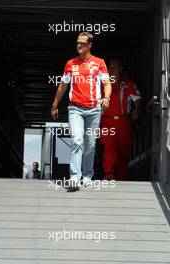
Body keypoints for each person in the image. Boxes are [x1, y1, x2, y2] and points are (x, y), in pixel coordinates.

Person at [51, 32, 112, 189]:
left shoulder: (99, 63)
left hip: (94, 109)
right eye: (77, 43)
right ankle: (74, 177)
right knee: (77, 140)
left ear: (89, 45)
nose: (78, 46)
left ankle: (87, 175)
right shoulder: (71, 64)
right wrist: (55, 104)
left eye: (82, 43)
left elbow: (107, 83)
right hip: (75, 109)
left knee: (90, 144)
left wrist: (107, 98)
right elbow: (63, 85)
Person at [100, 59, 142, 181]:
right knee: (109, 147)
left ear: (120, 69)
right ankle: (108, 174)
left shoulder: (128, 84)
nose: (111, 70)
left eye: (114, 67)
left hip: (124, 122)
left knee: (123, 149)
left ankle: (121, 176)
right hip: (107, 121)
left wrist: (137, 110)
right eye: (110, 67)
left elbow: (137, 99)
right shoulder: (102, 85)